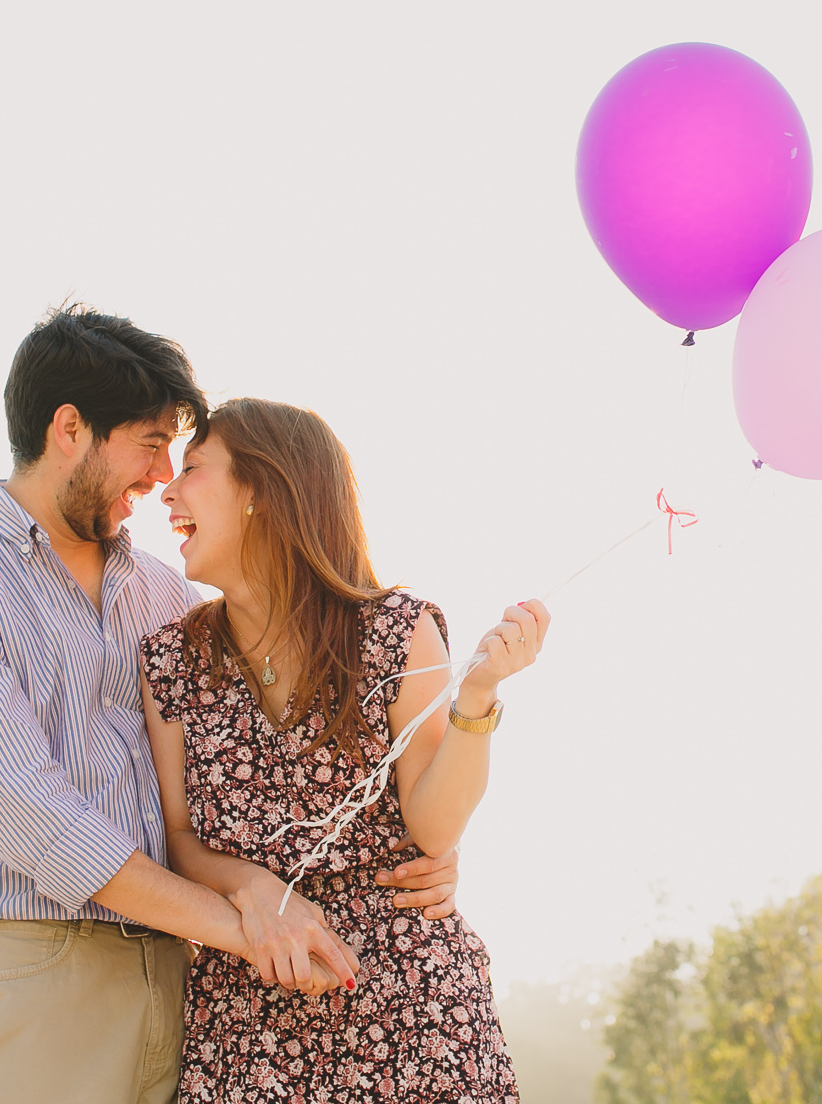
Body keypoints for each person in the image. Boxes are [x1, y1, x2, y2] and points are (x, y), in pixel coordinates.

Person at [0, 306, 461, 1104]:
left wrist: (407, 851)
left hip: (185, 989)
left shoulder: (164, 596)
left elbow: (249, 787)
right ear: (71, 428)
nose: (160, 479)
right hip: (33, 980)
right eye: (151, 445)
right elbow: (50, 829)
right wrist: (252, 922)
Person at [141, 397, 549, 1101]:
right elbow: (178, 839)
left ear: (262, 494)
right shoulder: (172, 660)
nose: (167, 493)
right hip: (247, 1023)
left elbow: (434, 826)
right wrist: (254, 886)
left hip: (409, 1011)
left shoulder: (396, 629)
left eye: (194, 469)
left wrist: (474, 698)